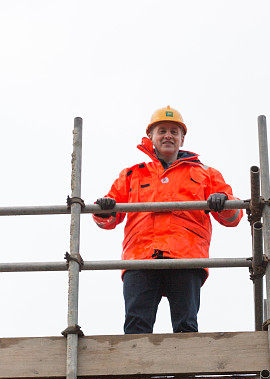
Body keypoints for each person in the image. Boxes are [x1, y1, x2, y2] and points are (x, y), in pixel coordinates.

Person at [92, 106, 243, 334]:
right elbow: (109, 215)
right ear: (151, 137)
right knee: (136, 324)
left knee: (186, 325)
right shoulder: (133, 174)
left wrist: (224, 201)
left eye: (174, 131)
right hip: (140, 257)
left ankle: (185, 371)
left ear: (182, 139)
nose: (168, 136)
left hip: (186, 257)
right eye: (162, 130)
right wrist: (103, 210)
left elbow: (233, 217)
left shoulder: (205, 174)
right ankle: (137, 370)